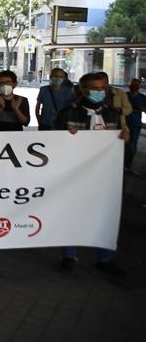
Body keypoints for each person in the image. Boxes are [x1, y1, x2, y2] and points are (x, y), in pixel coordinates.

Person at [54, 73, 129, 276]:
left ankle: (105, 258)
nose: (100, 92)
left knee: (105, 216)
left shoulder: (113, 113)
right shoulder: (68, 113)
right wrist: (63, 139)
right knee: (71, 214)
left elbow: (121, 139)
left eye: (103, 88)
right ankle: (69, 256)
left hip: (103, 176)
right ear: (84, 89)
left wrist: (124, 136)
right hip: (74, 174)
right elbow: (52, 143)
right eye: (95, 88)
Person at [126, 79, 146, 172]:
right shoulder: (125, 96)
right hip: (123, 124)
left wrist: (141, 109)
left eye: (136, 85)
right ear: (129, 85)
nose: (134, 87)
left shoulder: (143, 98)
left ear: (139, 87)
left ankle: (128, 166)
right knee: (123, 145)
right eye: (132, 85)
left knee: (132, 145)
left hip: (135, 125)